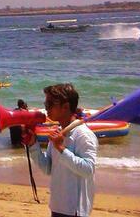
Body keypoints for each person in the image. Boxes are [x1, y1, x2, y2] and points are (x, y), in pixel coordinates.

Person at [23, 83, 97, 217]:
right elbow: (48, 168)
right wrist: (33, 145)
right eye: (46, 104)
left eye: (50, 104)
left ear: (66, 107)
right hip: (58, 206)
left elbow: (88, 170)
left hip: (74, 209)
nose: (46, 109)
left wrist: (61, 149)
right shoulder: (59, 133)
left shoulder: (83, 135)